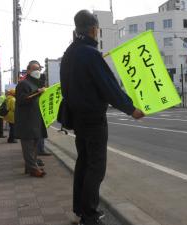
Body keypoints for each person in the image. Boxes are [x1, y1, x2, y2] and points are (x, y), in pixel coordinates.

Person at [60, 10, 145, 225]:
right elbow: (109, 87)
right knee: (96, 168)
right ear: (93, 29)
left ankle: (80, 209)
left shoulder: (69, 53)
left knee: (83, 163)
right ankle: (89, 215)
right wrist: (131, 109)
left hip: (78, 118)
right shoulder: (90, 54)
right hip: (93, 119)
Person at [15, 60, 47, 178]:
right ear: (28, 70)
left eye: (39, 69)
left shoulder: (35, 84)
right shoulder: (24, 84)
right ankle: (33, 169)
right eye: (34, 69)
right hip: (26, 120)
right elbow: (22, 100)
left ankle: (31, 168)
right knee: (28, 146)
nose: (37, 71)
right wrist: (37, 92)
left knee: (33, 146)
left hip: (34, 120)